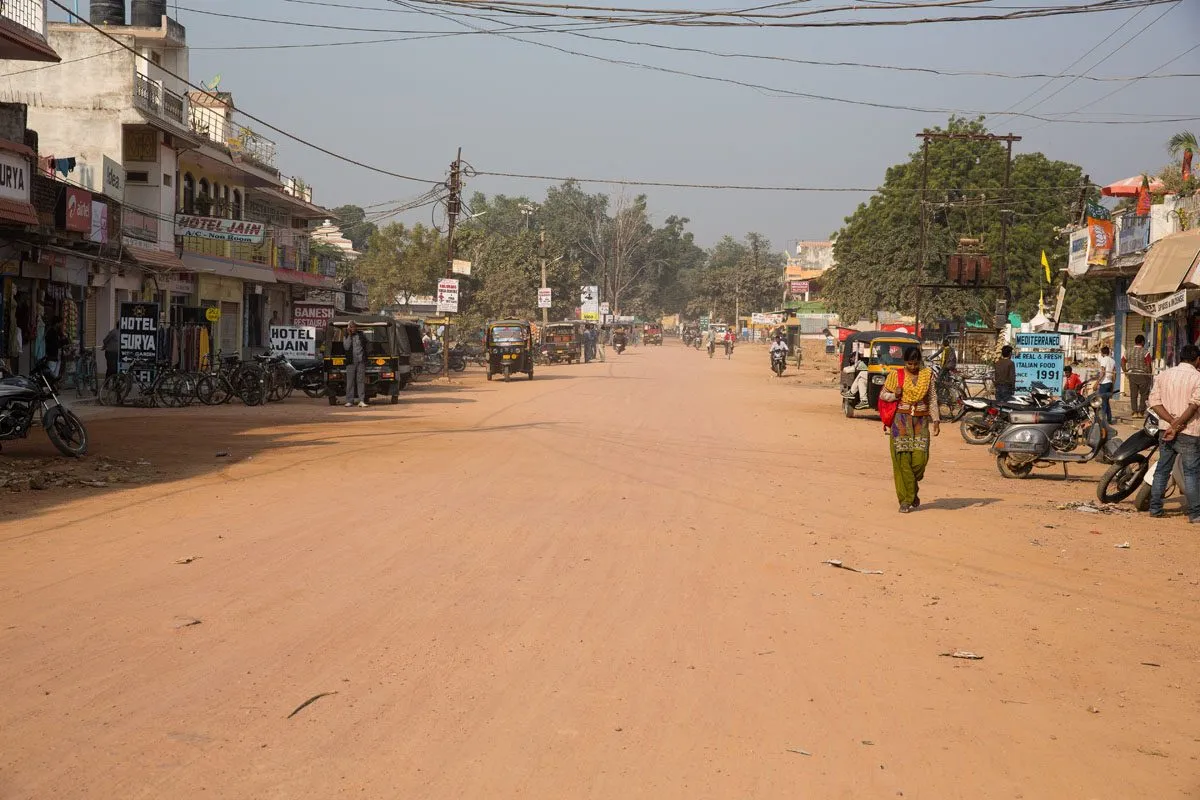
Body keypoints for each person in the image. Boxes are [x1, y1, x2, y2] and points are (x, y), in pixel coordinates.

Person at [880, 346, 940, 513]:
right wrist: (895, 395)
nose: (912, 367)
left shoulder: (927, 375)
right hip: (901, 421)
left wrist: (936, 420)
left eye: (915, 363)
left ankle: (912, 487)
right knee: (902, 461)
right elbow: (883, 395)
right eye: (909, 363)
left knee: (920, 460)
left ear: (920, 361)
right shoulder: (895, 375)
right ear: (904, 362)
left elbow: (932, 397)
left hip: (921, 420)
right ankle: (906, 500)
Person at [1147, 344, 1200, 522]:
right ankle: (1195, 514)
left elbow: (1154, 402)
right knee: (1191, 473)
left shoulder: (1164, 375)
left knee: (1162, 470)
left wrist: (1171, 423)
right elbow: (1194, 406)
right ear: (1197, 359)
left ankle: (1155, 508)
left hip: (1165, 430)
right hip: (1190, 432)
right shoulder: (1197, 377)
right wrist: (1178, 424)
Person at [342, 320, 369, 408]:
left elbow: (366, 345)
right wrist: (349, 335)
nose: (352, 328)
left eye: (353, 326)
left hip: (361, 361)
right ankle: (349, 401)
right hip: (351, 362)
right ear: (348, 328)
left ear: (356, 327)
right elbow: (346, 347)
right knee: (350, 382)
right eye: (350, 327)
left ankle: (361, 400)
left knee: (360, 381)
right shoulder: (346, 336)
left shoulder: (361, 335)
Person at [1123, 335, 1152, 417]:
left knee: (1133, 394)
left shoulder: (1128, 351)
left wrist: (1126, 372)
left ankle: (1134, 412)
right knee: (1144, 394)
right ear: (1142, 342)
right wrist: (1149, 374)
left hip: (1132, 375)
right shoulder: (1146, 352)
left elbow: (1122, 362)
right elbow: (1148, 364)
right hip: (1143, 375)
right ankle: (1141, 412)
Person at [1097, 345, 1116, 423]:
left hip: (1104, 383)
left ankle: (1103, 420)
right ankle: (1109, 419)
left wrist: (1097, 382)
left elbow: (1103, 372)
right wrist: (1113, 385)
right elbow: (1114, 374)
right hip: (1110, 382)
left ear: (1102, 353)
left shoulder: (1104, 360)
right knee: (1106, 402)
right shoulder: (1113, 361)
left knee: (1102, 402)